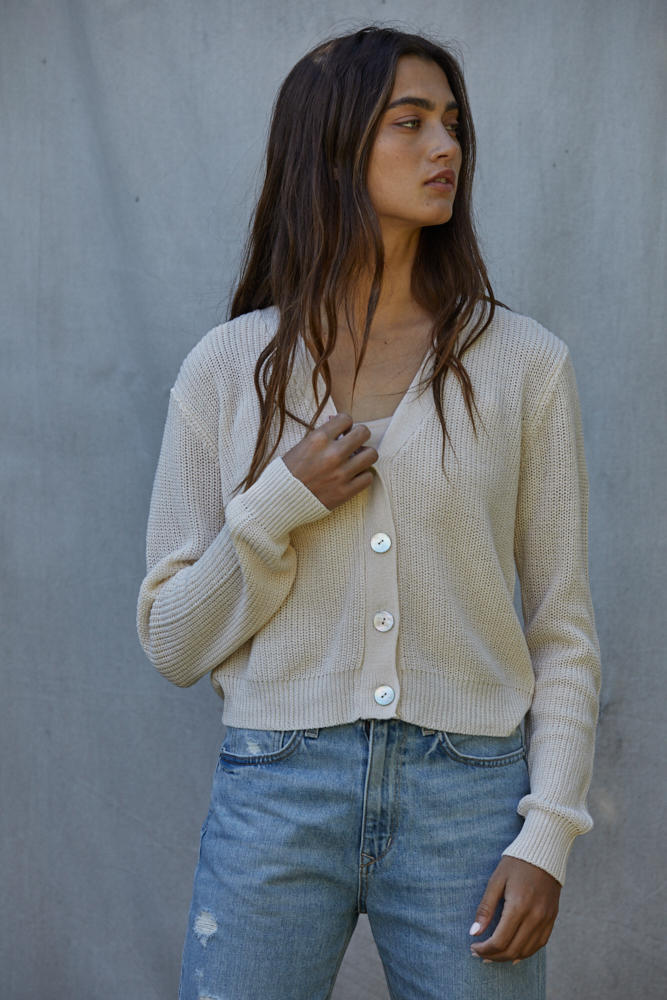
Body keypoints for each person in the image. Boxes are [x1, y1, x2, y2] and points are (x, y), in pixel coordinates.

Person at [136, 25, 601, 1000]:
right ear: (334, 144)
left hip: (467, 793)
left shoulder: (523, 364)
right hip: (277, 786)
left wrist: (547, 834)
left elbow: (561, 630)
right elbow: (173, 642)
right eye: (410, 122)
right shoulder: (227, 369)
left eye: (453, 124)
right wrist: (277, 505)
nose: (446, 148)